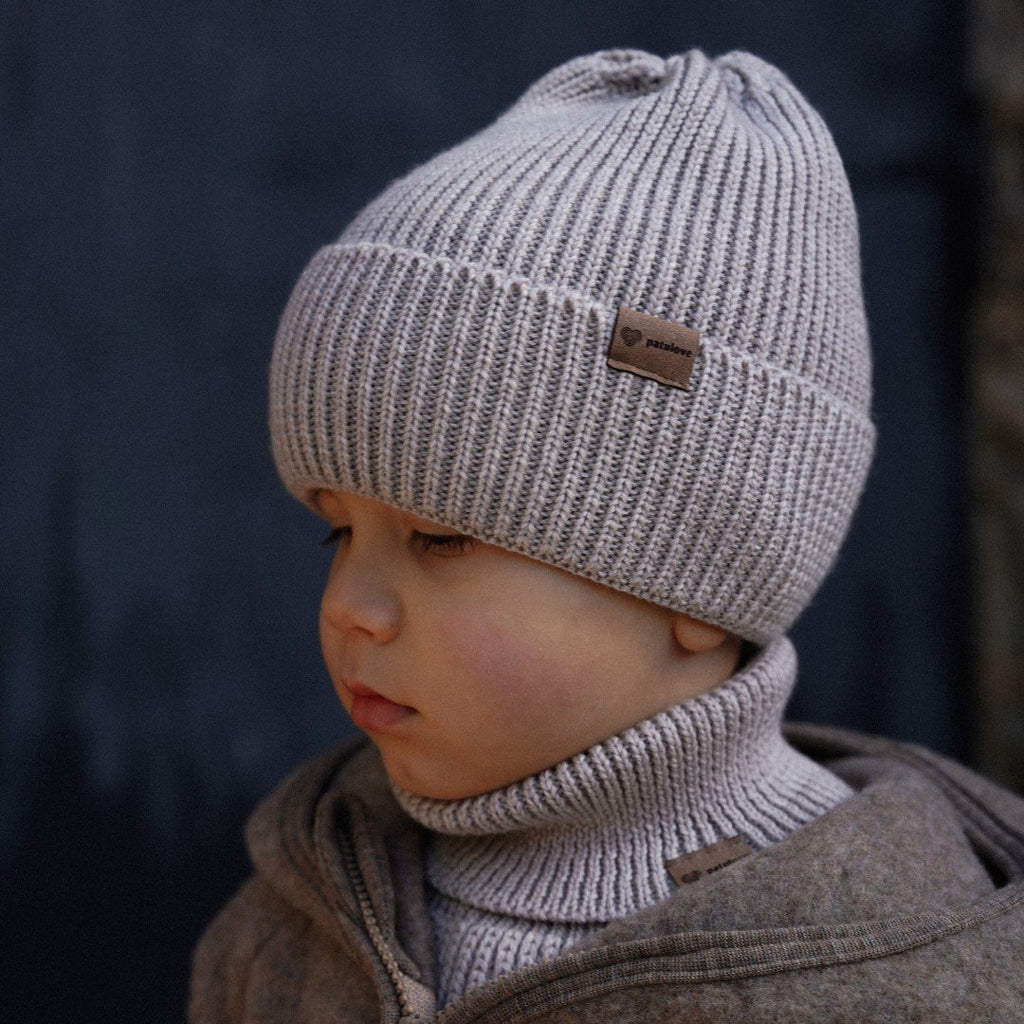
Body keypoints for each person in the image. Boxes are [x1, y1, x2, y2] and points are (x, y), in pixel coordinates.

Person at [190, 48, 1024, 1022]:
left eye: (438, 538)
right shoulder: (296, 918)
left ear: (703, 581)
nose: (349, 607)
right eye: (337, 534)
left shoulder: (902, 967)